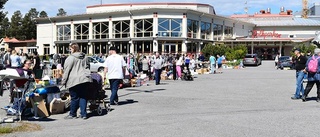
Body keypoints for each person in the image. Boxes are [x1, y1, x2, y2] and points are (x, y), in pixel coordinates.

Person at [62, 43, 92, 119]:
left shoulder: (70, 58)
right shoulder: (85, 57)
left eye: (70, 49)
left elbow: (67, 70)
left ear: (73, 49)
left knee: (74, 97)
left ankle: (73, 113)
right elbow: (88, 66)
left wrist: (63, 81)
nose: (70, 50)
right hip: (84, 78)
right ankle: (83, 114)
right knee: (83, 97)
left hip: (74, 79)